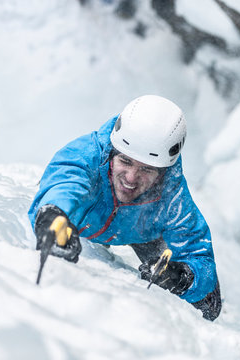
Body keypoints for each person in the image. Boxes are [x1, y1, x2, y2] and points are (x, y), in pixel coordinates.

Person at [28, 95, 221, 321]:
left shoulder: (172, 194)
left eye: (147, 170)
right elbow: (65, 184)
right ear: (111, 151)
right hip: (84, 217)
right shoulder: (87, 154)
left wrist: (183, 276)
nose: (131, 179)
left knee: (208, 306)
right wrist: (53, 214)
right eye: (125, 161)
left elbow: (198, 254)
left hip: (142, 232)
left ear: (163, 172)